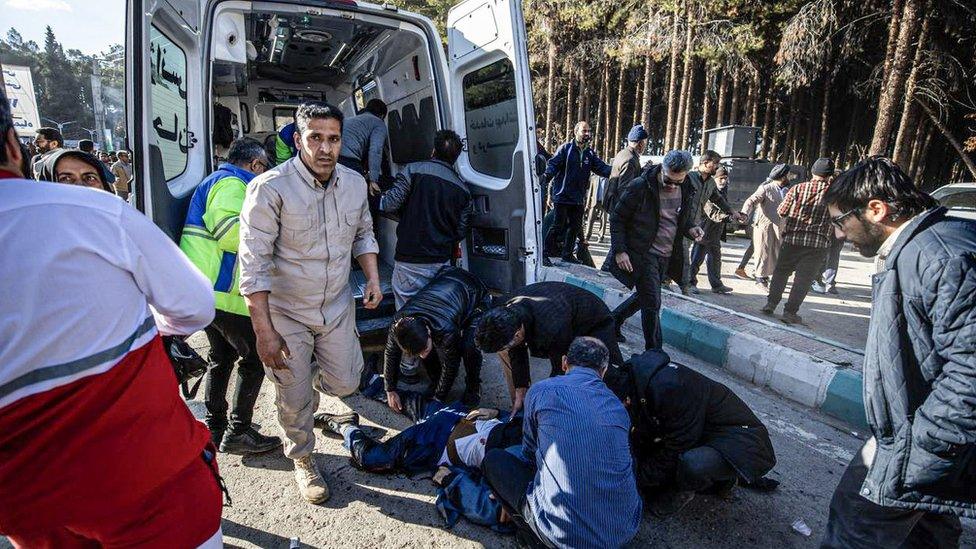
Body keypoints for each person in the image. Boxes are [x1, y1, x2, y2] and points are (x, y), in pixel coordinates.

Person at [0, 90, 224, 547]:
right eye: (66, 178)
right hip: (147, 485)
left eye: (88, 177)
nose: (80, 188)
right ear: (12, 144)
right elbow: (194, 308)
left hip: (26, 507)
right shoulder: (100, 216)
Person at [820, 157, 974, 548]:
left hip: (924, 443)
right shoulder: (922, 247)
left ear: (876, 209)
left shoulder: (940, 255)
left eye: (841, 222)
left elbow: (970, 372)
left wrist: (919, 446)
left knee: (855, 525)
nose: (839, 235)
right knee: (928, 535)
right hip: (932, 439)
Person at [239, 101, 382, 504]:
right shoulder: (269, 188)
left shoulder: (354, 184)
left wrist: (372, 277)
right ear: (298, 140)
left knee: (347, 383)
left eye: (333, 139)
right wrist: (264, 332)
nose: (325, 148)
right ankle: (302, 457)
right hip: (287, 313)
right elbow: (254, 266)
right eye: (315, 138)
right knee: (293, 396)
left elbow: (364, 233)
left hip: (336, 307)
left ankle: (308, 383)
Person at [482, 337, 642, 548]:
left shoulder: (542, 391)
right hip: (624, 532)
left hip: (562, 536)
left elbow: (529, 454)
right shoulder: (618, 408)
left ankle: (530, 535)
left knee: (493, 461)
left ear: (564, 362)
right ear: (603, 371)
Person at [180, 137, 281, 455]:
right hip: (225, 292)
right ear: (256, 165)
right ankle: (238, 431)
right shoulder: (233, 184)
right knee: (255, 356)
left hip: (208, 292)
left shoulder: (216, 180)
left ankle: (216, 424)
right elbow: (231, 235)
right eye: (263, 169)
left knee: (221, 357)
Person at [604, 349, 778, 517]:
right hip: (708, 435)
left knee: (692, 464)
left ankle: (684, 492)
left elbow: (676, 447)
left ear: (626, 399)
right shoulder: (640, 381)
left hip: (745, 444)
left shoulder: (668, 389)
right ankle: (722, 479)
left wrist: (636, 481)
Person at [379, 130, 471, 380]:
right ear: (455, 159)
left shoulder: (413, 170)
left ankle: (409, 369)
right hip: (441, 262)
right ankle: (440, 367)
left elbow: (389, 205)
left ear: (433, 150)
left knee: (407, 315)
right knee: (435, 314)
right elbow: (460, 230)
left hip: (411, 258)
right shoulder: (463, 189)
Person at [474, 281, 624, 414]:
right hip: (558, 305)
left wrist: (545, 404)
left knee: (602, 371)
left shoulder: (552, 328)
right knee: (510, 355)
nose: (507, 347)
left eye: (507, 344)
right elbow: (516, 349)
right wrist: (521, 387)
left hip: (592, 319)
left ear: (518, 334)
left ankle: (623, 407)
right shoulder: (504, 311)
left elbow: (560, 369)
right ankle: (522, 404)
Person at [608, 150, 705, 348]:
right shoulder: (641, 186)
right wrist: (620, 250)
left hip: (668, 255)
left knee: (645, 296)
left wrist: (692, 229)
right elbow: (617, 218)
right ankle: (654, 351)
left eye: (677, 182)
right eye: (668, 180)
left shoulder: (687, 186)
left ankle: (612, 321)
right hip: (643, 253)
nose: (672, 186)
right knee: (652, 303)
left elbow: (681, 220)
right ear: (662, 168)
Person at [382, 266, 491, 410]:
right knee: (428, 351)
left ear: (428, 330)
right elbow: (391, 353)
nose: (422, 355)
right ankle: (436, 379)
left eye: (424, 348)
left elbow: (451, 365)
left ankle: (473, 386)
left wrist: (438, 397)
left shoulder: (445, 330)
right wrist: (390, 389)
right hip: (448, 285)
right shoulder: (398, 325)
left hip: (476, 296)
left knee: (469, 346)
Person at [322, 401, 522, 476]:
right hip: (452, 428)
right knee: (373, 458)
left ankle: (346, 424)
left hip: (444, 443)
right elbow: (524, 419)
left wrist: (449, 481)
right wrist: (497, 412)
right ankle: (346, 426)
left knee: (374, 459)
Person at [762, 158, 834, 324]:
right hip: (818, 243)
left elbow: (781, 211)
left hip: (792, 239)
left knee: (781, 272)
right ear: (830, 176)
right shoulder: (835, 195)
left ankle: (771, 304)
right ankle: (790, 312)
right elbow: (839, 219)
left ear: (812, 172)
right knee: (803, 279)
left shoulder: (797, 188)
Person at [542, 121, 612, 263]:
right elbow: (553, 165)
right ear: (576, 132)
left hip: (578, 198)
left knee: (575, 227)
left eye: (588, 131)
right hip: (562, 196)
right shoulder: (565, 149)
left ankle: (567, 255)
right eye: (584, 131)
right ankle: (544, 252)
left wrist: (618, 170)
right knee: (558, 226)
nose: (587, 134)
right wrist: (545, 177)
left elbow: (602, 168)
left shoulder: (590, 153)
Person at [685, 150, 741, 294]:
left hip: (698, 226)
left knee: (713, 257)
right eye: (715, 164)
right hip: (688, 224)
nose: (716, 167)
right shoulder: (688, 178)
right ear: (705, 163)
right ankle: (681, 283)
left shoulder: (710, 183)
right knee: (687, 255)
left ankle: (715, 285)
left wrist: (732, 212)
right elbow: (711, 211)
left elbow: (717, 199)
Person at [591, 124, 648, 250]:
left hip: (616, 205)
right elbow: (625, 188)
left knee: (619, 245)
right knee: (620, 244)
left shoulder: (624, 154)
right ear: (639, 144)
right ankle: (607, 268)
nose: (645, 145)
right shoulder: (630, 160)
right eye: (644, 143)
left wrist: (643, 171)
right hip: (620, 207)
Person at [739, 163, 790, 289]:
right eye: (788, 174)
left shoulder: (787, 190)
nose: (790, 177)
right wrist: (745, 213)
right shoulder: (766, 188)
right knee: (763, 251)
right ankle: (760, 278)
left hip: (780, 227)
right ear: (783, 176)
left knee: (775, 253)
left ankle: (766, 275)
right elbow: (751, 200)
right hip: (764, 227)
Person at [339, 98, 389, 197]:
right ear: (382, 115)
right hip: (349, 162)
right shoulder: (379, 123)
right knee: (357, 199)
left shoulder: (349, 120)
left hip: (332, 160)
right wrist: (373, 180)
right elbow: (376, 150)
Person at [35, 148, 115, 193]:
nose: (81, 186)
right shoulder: (39, 222)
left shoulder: (120, 220)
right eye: (66, 178)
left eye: (90, 178)